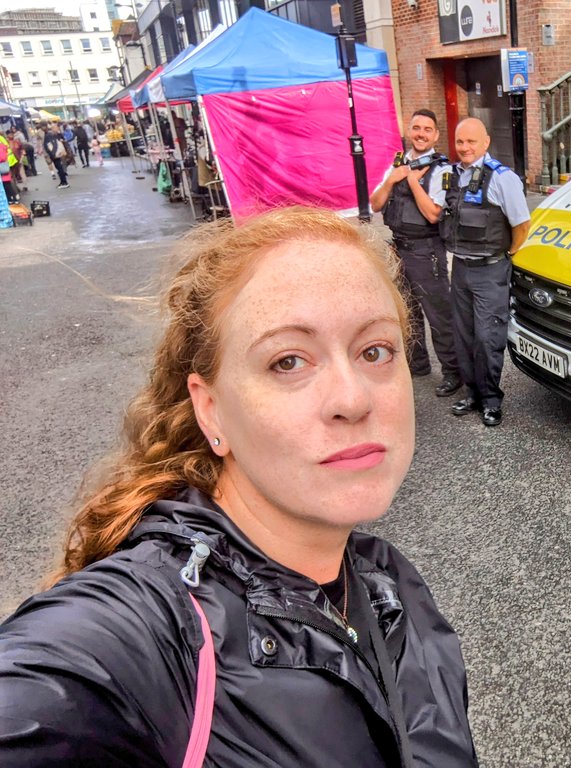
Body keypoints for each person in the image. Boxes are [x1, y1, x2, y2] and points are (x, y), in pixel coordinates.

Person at [0, 206, 479, 767]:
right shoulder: (150, 634)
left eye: (375, 351)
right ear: (211, 411)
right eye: (288, 361)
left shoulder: (387, 582)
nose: (353, 400)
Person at [438, 117, 531, 427]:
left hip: (490, 270)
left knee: (487, 338)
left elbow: (522, 226)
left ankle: (491, 400)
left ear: (486, 142)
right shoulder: (453, 175)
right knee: (463, 335)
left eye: (471, 142)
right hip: (461, 268)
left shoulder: (503, 179)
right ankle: (472, 394)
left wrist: (508, 253)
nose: (465, 148)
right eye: (460, 142)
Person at [370, 109, 462, 398]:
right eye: (416, 127)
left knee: (439, 316)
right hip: (399, 249)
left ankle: (453, 373)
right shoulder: (398, 164)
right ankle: (418, 364)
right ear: (409, 130)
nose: (421, 133)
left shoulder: (442, 169)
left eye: (427, 129)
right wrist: (392, 179)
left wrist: (410, 181)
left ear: (435, 135)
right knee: (407, 313)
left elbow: (433, 214)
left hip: (426, 252)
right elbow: (375, 204)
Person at [43, 122, 69, 189]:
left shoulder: (50, 135)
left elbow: (50, 145)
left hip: (55, 154)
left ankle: (64, 182)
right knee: (59, 167)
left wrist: (52, 154)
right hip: (57, 153)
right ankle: (63, 181)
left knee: (59, 167)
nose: (57, 128)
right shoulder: (55, 135)